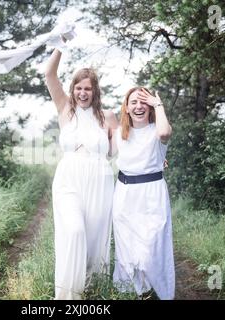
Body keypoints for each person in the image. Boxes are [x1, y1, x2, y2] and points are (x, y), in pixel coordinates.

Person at [44, 48, 118, 300]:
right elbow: (49, 74)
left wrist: (156, 155)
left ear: (95, 91)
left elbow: (120, 150)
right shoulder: (65, 108)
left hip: (100, 180)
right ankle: (68, 296)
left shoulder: (107, 116)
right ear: (73, 89)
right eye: (79, 88)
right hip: (68, 179)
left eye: (88, 89)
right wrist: (60, 44)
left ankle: (94, 293)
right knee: (74, 231)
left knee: (96, 242)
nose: (83, 93)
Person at [110, 87, 175, 300]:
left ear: (150, 106)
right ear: (126, 108)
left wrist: (158, 103)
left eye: (143, 102)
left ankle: (155, 288)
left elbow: (165, 133)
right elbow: (105, 153)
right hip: (125, 194)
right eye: (134, 103)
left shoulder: (158, 130)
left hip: (151, 195)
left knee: (150, 248)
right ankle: (139, 292)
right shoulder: (121, 133)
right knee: (128, 249)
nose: (138, 107)